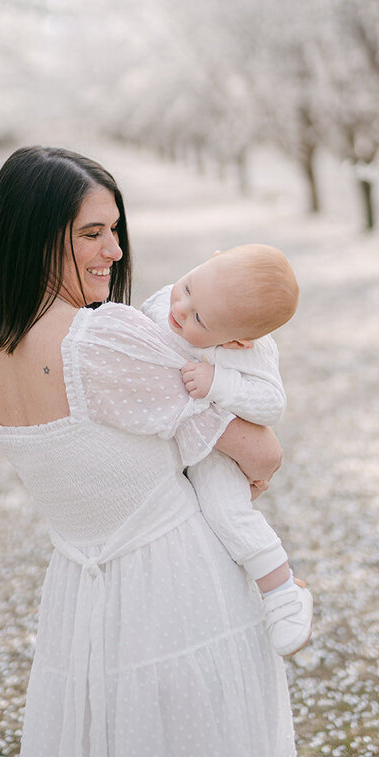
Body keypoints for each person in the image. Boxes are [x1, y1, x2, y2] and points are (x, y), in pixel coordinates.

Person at [0, 146, 310, 757]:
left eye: (114, 230)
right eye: (92, 233)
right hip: (175, 595)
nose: (114, 251)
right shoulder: (103, 340)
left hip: (81, 606)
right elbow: (261, 449)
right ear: (33, 234)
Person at [141, 245, 313, 657]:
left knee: (226, 512)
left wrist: (220, 382)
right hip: (166, 442)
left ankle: (282, 591)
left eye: (199, 318)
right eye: (187, 286)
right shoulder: (165, 302)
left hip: (215, 452)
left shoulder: (254, 353)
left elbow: (272, 403)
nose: (180, 308)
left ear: (238, 342)